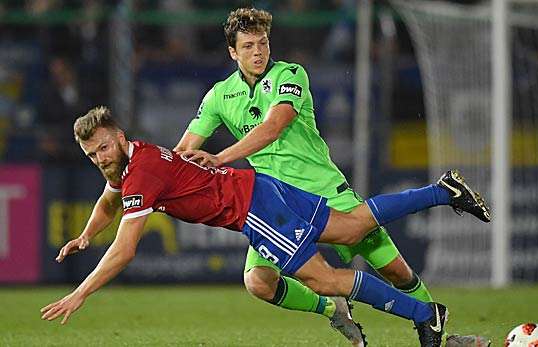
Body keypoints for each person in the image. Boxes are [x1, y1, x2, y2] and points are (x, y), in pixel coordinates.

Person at [40, 107, 491, 347]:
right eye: (92, 156)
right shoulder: (132, 158)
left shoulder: (140, 174)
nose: (99, 159)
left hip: (253, 211)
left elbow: (125, 249)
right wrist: (84, 235)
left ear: (118, 138)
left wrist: (79, 293)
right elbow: (107, 199)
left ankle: (427, 316)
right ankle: (443, 191)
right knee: (353, 228)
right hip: (260, 187)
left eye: (102, 148)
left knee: (327, 279)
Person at [174, 7, 491, 347]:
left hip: (324, 189)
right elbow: (183, 153)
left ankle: (440, 330)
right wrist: (157, 178)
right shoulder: (219, 96)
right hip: (273, 204)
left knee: (395, 271)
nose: (258, 52)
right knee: (258, 282)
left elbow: (272, 127)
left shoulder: (290, 74)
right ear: (233, 52)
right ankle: (331, 307)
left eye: (263, 43)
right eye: (249, 46)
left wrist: (220, 158)